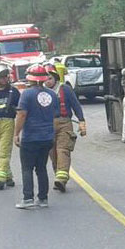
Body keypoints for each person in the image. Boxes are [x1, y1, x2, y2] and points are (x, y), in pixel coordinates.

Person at [13, 64, 59, 209]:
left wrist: (16, 133)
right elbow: (55, 114)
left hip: (31, 137)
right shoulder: (52, 94)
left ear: (30, 78)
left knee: (27, 168)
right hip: (47, 137)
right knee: (41, 168)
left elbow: (21, 114)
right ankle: (43, 199)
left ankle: (28, 198)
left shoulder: (27, 94)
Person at [44, 63, 87, 192]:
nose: (47, 81)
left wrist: (81, 121)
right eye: (45, 78)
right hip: (47, 125)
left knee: (63, 150)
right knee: (52, 153)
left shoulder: (65, 90)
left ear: (56, 78)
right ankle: (59, 175)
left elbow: (76, 105)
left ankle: (61, 178)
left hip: (64, 123)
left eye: (50, 78)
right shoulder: (42, 93)